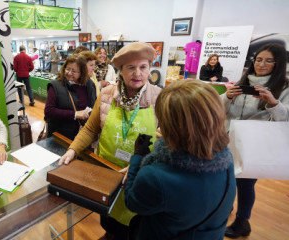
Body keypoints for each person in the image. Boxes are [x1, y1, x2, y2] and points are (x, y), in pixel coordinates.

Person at [59, 42, 161, 239]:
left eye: (143, 67)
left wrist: (141, 165)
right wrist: (73, 150)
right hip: (106, 171)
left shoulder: (159, 98)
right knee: (108, 218)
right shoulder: (106, 95)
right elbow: (90, 128)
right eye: (130, 67)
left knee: (135, 226)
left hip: (140, 176)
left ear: (150, 68)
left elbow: (167, 143)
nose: (137, 73)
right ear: (120, 71)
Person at [125, 80, 236, 239]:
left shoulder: (155, 177)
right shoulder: (227, 160)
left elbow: (133, 202)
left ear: (170, 125)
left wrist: (137, 157)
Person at [223, 43, 289, 238]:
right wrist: (227, 96)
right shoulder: (243, 81)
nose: (262, 64)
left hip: (255, 144)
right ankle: (223, 208)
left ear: (278, 64)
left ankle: (242, 222)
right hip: (229, 139)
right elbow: (219, 107)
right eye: (259, 59)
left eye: (269, 61)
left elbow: (284, 120)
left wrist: (274, 103)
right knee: (226, 179)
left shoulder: (283, 87)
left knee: (245, 183)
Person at [44, 54, 97, 140]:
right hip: (61, 136)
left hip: (83, 136)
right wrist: (75, 114)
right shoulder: (56, 85)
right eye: (67, 69)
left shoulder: (89, 84)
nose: (69, 73)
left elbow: (93, 105)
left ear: (82, 73)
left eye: (74, 71)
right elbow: (49, 111)